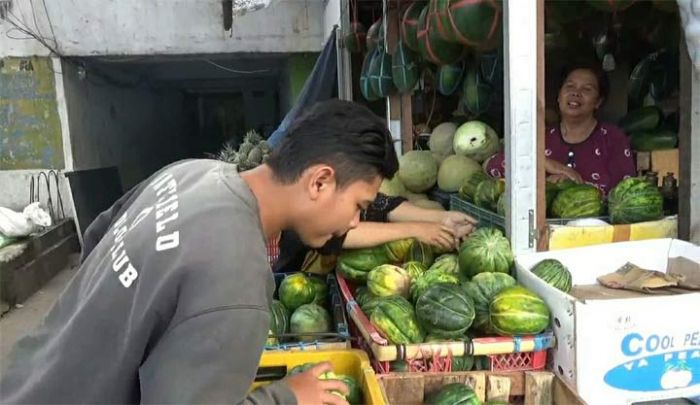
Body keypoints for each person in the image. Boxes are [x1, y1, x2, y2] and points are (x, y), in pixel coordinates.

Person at [0, 100, 399, 405]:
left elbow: (98, 233)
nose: (352, 222)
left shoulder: (192, 173)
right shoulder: (236, 276)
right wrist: (287, 397)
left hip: (29, 379)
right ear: (320, 181)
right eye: (359, 206)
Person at [485, 62, 636, 195]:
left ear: (598, 101)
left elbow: (625, 195)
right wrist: (545, 164)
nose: (575, 93)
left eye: (587, 89)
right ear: (559, 96)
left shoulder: (612, 139)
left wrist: (572, 186)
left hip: (595, 227)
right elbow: (490, 166)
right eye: (570, 86)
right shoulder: (541, 137)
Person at [274, 193, 477, 274]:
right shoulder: (306, 197)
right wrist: (417, 229)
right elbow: (336, 235)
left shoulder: (346, 184)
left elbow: (383, 205)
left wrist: (441, 219)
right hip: (297, 289)